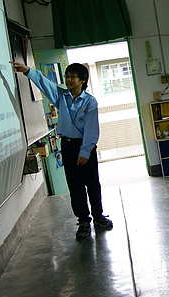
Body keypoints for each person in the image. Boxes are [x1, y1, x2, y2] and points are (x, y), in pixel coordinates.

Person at [11, 61, 113, 239]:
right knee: (75, 185)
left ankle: (98, 217)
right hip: (67, 146)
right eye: (67, 76)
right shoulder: (61, 96)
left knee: (92, 184)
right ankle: (83, 221)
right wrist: (28, 71)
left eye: (72, 76)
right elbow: (44, 82)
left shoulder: (90, 102)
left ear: (82, 80)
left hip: (85, 146)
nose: (68, 80)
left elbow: (91, 130)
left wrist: (84, 153)